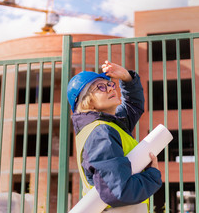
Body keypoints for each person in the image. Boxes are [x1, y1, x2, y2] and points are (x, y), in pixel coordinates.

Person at [67, 60, 162, 212]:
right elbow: (118, 191)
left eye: (111, 85)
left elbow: (133, 106)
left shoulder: (108, 125)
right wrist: (152, 175)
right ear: (87, 102)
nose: (111, 89)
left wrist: (126, 78)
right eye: (101, 87)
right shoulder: (101, 133)